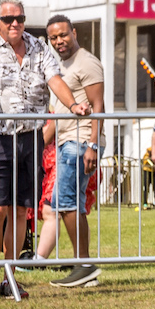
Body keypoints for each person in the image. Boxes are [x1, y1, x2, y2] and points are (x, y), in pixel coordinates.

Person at [0, 0, 86, 301]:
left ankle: (10, 276)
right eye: (8, 19)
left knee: (21, 209)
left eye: (19, 18)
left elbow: (54, 80)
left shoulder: (39, 47)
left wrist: (73, 104)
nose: (15, 23)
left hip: (30, 135)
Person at [38, 15, 106, 289]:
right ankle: (84, 267)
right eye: (53, 38)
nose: (59, 41)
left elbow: (98, 106)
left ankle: (84, 265)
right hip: (67, 141)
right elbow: (59, 116)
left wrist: (93, 144)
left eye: (63, 35)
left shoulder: (86, 62)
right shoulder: (61, 66)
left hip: (81, 141)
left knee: (66, 201)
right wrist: (39, 144)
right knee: (67, 202)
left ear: (74, 33)